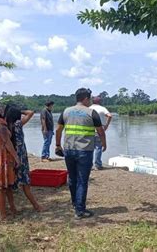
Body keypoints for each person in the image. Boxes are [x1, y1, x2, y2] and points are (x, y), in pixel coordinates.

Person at [55, 88, 106, 219]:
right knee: (83, 181)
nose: (90, 101)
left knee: (72, 178)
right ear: (85, 99)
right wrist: (104, 144)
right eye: (89, 99)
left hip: (69, 150)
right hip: (85, 151)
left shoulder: (66, 111)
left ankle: (75, 203)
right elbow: (100, 131)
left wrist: (57, 145)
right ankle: (80, 210)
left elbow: (59, 130)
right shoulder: (91, 113)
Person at [6, 107, 44, 212]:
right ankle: (36, 206)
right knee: (25, 183)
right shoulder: (18, 124)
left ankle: (12, 207)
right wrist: (20, 110)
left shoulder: (5, 125)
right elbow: (31, 112)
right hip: (21, 157)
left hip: (10, 156)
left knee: (9, 183)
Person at [90, 96, 113, 170]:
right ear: (99, 102)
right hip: (99, 129)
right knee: (98, 147)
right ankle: (97, 165)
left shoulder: (89, 108)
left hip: (89, 130)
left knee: (89, 148)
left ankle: (89, 165)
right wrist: (106, 125)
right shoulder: (102, 108)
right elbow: (109, 116)